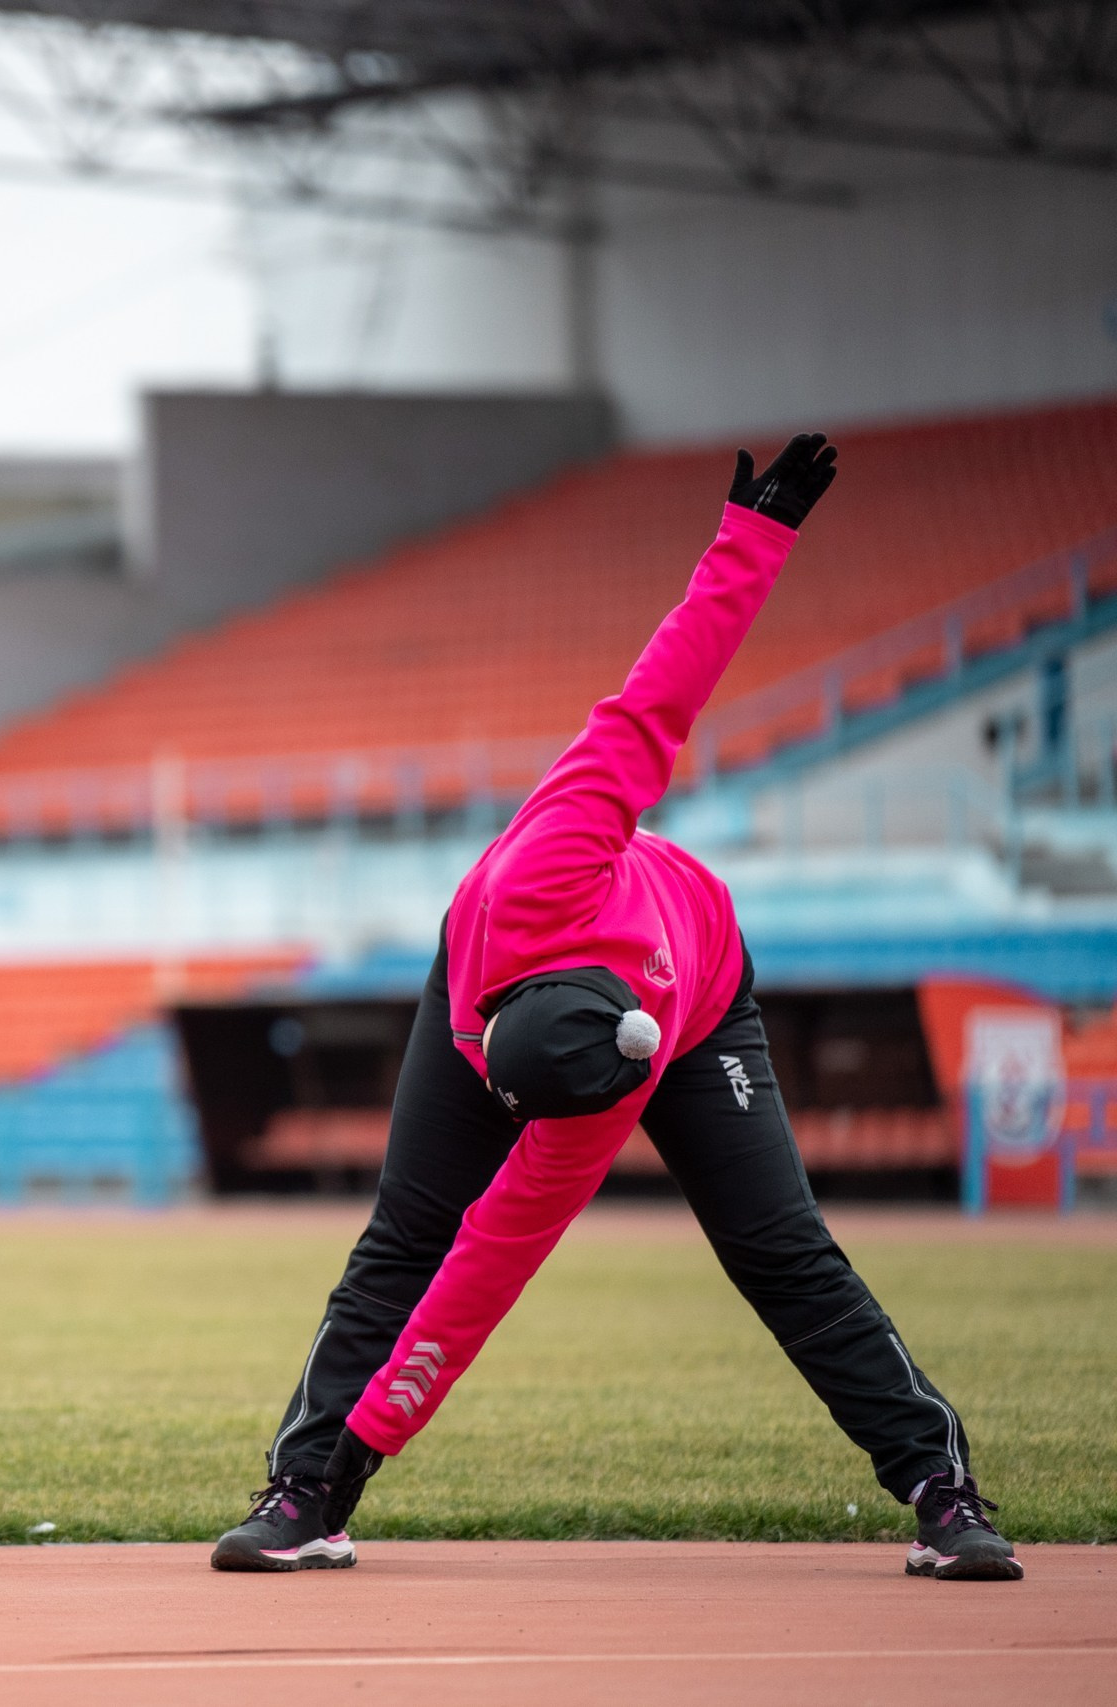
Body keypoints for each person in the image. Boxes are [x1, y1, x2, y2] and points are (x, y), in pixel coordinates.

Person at [212, 434, 1021, 1584]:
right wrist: (754, 533)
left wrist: (383, 1419)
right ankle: (310, 1491)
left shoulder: (597, 1098)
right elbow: (660, 695)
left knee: (777, 1250)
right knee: (403, 1232)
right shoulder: (554, 849)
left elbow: (487, 1275)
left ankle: (940, 1487)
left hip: (693, 1000)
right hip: (488, 954)